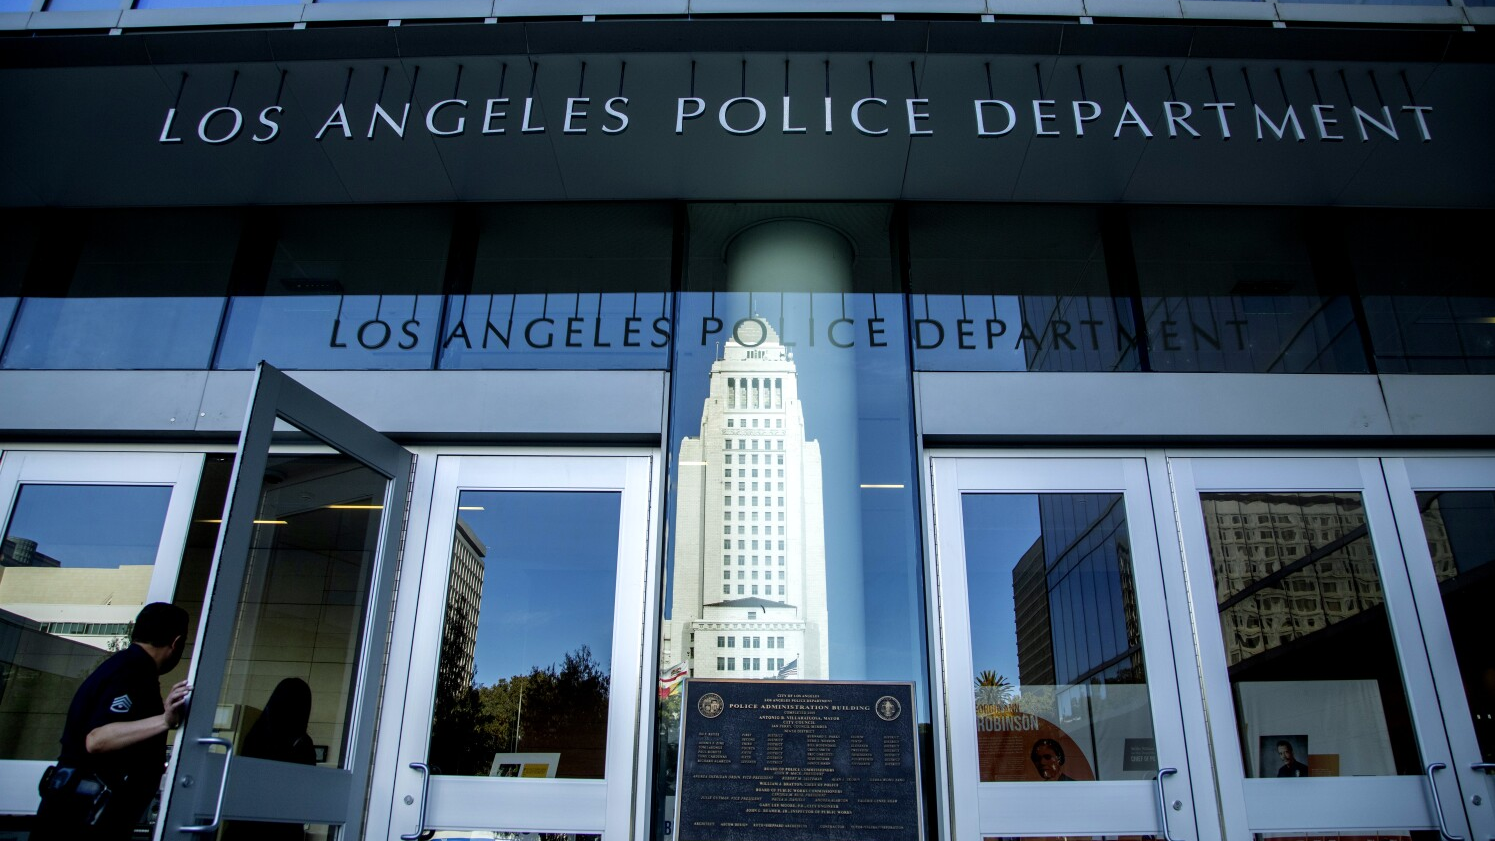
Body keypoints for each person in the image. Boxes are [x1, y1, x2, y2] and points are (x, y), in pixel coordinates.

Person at [33, 602, 191, 841]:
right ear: (176, 643)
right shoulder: (131, 672)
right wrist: (164, 721)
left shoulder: (128, 667)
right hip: (83, 818)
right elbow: (97, 740)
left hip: (80, 811)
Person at [222, 677, 317, 841]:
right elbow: (305, 792)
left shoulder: (255, 735)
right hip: (282, 828)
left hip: (243, 826)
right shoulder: (301, 743)